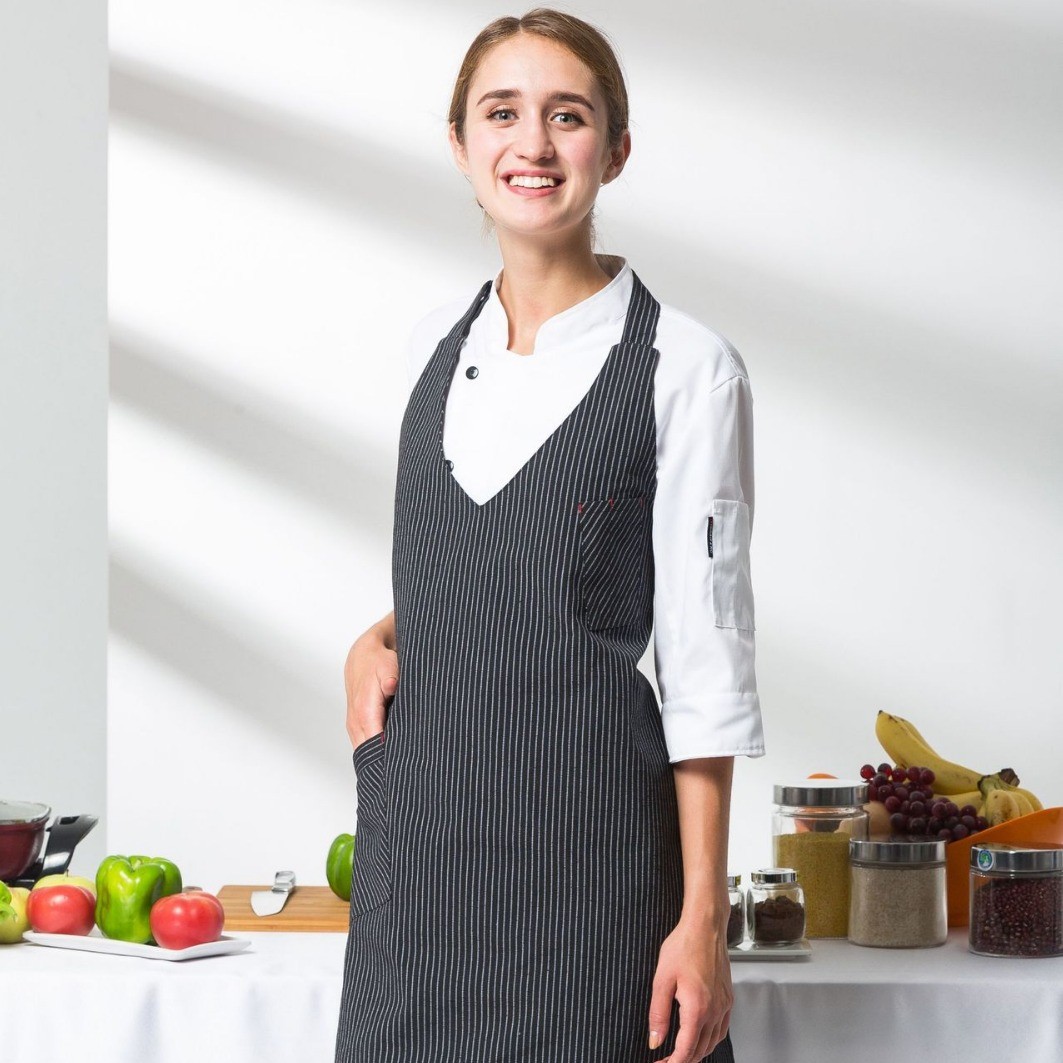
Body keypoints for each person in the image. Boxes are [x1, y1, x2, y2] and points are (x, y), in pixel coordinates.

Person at [335, 9, 765, 1062]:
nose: (532, 143)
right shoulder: (428, 349)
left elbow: (702, 658)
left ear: (614, 150)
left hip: (593, 874)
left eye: (566, 116)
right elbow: (497, 562)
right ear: (459, 144)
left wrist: (701, 920)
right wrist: (379, 634)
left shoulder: (685, 368)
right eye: (501, 113)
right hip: (420, 873)